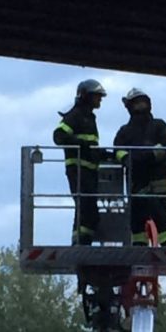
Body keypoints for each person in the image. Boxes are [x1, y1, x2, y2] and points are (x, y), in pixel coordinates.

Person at [113, 88, 166, 246]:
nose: (140, 106)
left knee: (160, 215)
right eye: (137, 103)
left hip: (158, 178)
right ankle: (139, 249)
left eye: (142, 102)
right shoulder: (125, 131)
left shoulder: (159, 126)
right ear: (130, 106)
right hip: (137, 180)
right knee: (137, 219)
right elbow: (117, 150)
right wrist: (127, 158)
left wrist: (144, 157)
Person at [52, 79, 109, 245]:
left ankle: (82, 242)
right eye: (97, 96)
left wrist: (103, 154)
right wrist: (84, 146)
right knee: (86, 209)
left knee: (88, 210)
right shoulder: (75, 115)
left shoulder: (88, 117)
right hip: (78, 170)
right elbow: (59, 136)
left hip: (88, 172)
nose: (100, 100)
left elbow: (91, 147)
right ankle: (80, 243)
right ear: (86, 96)